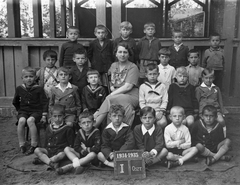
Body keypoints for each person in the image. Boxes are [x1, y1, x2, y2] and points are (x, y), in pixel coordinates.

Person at [93, 42, 139, 128]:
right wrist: (111, 87)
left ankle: (95, 123)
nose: (122, 55)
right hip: (117, 94)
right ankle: (108, 130)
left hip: (130, 95)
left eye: (125, 52)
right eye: (120, 52)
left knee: (109, 98)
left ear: (129, 54)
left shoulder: (133, 67)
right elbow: (111, 80)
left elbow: (128, 86)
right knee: (111, 100)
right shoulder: (114, 65)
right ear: (116, 54)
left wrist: (111, 94)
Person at [12, 67, 48, 155]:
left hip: (36, 111)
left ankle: (34, 144)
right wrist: (19, 110)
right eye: (26, 77)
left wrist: (44, 115)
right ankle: (22, 144)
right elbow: (15, 101)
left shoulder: (38, 89)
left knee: (30, 120)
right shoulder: (19, 89)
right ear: (22, 78)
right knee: (21, 121)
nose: (29, 79)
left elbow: (44, 102)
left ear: (35, 77)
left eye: (31, 76)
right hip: (24, 111)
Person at [34, 104, 75, 170]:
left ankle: (44, 160)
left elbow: (71, 144)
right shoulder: (48, 128)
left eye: (60, 116)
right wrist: (45, 149)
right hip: (49, 150)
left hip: (60, 151)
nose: (57, 119)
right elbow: (46, 141)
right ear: (51, 117)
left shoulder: (67, 128)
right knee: (37, 150)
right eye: (55, 116)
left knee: (60, 155)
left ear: (64, 116)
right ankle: (51, 163)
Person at [195, 68, 226, 137]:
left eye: (210, 78)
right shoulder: (199, 89)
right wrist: (197, 113)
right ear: (202, 78)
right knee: (203, 123)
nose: (208, 80)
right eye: (206, 78)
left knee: (221, 121)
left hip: (215, 110)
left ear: (214, 78)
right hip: (203, 111)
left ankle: (223, 136)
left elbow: (220, 101)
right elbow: (196, 102)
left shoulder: (216, 88)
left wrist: (222, 112)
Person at [139, 63, 168, 128]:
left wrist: (161, 112)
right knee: (147, 122)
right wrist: (146, 112)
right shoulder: (143, 87)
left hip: (158, 110)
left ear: (158, 74)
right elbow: (141, 102)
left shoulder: (162, 86)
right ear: (146, 75)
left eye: (154, 74)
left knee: (162, 122)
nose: (152, 76)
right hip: (147, 111)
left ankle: (158, 136)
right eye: (150, 74)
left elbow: (165, 100)